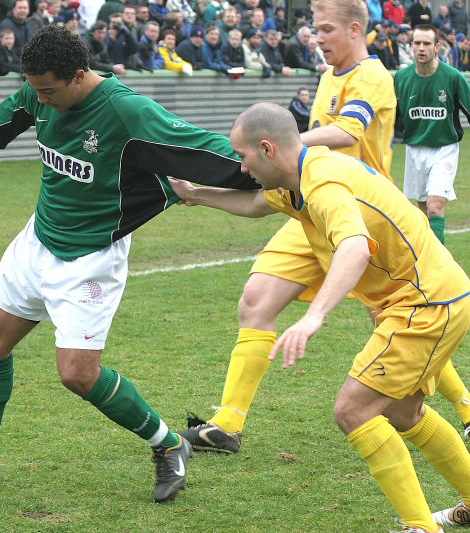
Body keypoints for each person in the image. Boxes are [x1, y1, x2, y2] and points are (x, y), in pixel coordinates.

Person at [0, 24, 258, 504]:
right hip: (38, 241)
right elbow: (10, 113)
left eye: (50, 91)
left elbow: (199, 146)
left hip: (90, 257)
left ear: (80, 75)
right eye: (35, 89)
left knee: (78, 374)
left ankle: (169, 443)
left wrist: (268, 166)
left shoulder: (126, 110)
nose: (41, 100)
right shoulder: (41, 91)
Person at [170, 101, 470, 533]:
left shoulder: (324, 182)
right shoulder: (300, 174)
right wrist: (196, 194)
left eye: (243, 155)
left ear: (268, 149)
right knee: (404, 412)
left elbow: (352, 246)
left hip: (425, 303)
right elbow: (256, 203)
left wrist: (313, 317)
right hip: (427, 298)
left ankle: (419, 526)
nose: (240, 166)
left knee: (354, 411)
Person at [181, 0, 398, 456]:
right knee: (256, 300)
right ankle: (228, 425)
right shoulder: (327, 75)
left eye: (324, 29)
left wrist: (283, 145)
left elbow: (348, 133)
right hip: (305, 208)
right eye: (314, 29)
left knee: (398, 319)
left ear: (354, 29)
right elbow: (260, 200)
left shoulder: (374, 76)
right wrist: (198, 191)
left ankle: (465, 409)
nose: (316, 38)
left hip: (361, 215)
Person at [395, 24, 470, 247]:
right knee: (425, 212)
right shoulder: (401, 78)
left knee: (436, 205)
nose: (421, 47)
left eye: (426, 43)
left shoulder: (453, 77)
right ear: (412, 46)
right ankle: (431, 263)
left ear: (437, 47)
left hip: (444, 149)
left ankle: (441, 268)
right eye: (417, 43)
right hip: (414, 150)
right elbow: (392, 117)